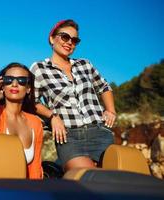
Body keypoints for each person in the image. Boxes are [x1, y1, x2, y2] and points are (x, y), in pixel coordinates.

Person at [30, 19, 116, 171]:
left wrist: (111, 110)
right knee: (87, 177)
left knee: (111, 183)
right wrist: (52, 117)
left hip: (100, 133)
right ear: (52, 38)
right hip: (68, 136)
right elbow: (32, 102)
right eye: (65, 37)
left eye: (74, 40)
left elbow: (104, 86)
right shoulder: (39, 68)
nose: (70, 42)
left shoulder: (85, 64)